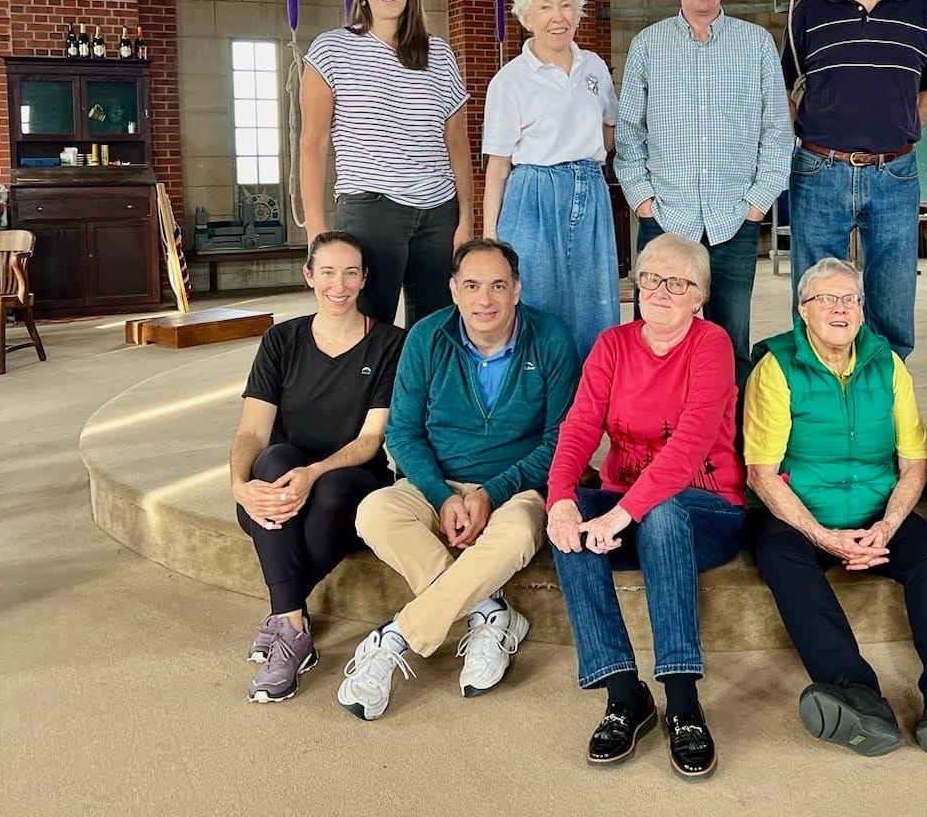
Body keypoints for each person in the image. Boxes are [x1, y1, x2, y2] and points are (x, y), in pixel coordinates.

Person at [745, 257, 927, 757]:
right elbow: (762, 473)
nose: (841, 309)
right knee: (780, 557)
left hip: (876, 508)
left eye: (851, 299)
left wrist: (886, 526)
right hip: (800, 512)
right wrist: (825, 537)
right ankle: (853, 691)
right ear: (802, 310)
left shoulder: (888, 363)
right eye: (827, 299)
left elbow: (913, 462)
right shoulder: (775, 366)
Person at [336, 238, 581, 720]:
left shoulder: (550, 338)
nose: (484, 299)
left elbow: (561, 441)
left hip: (517, 488)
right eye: (471, 285)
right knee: (374, 512)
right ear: (453, 290)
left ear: (517, 290)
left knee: (515, 534)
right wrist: (441, 495)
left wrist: (493, 492)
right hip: (435, 482)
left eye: (497, 286)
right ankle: (489, 611)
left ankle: (397, 638)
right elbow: (402, 435)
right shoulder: (425, 338)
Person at [545, 233, 746, 779]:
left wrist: (621, 513)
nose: (659, 290)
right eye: (651, 278)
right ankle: (624, 693)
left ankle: (683, 702)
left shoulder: (712, 344)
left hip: (707, 510)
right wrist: (561, 499)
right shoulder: (612, 344)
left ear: (699, 296)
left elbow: (688, 449)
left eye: (676, 283)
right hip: (626, 509)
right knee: (566, 519)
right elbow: (580, 426)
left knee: (661, 510)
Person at [229, 231, 406, 703]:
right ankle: (292, 620)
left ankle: (284, 621)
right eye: (327, 271)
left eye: (351, 272)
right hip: (281, 490)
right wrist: (239, 486)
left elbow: (371, 441)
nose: (339, 284)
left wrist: (315, 472)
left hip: (351, 487)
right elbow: (252, 432)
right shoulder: (281, 340)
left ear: (365, 279)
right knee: (275, 459)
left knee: (327, 488)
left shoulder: (391, 344)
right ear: (309, 275)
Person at [781, 0, 927, 359]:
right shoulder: (810, 11)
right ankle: (816, 402)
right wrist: (822, 135)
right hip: (820, 171)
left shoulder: (922, 10)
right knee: (816, 296)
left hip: (894, 174)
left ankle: (883, 398)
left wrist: (887, 135)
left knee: (893, 300)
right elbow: (787, 89)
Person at [614, 0, 790, 389]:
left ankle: (726, 451)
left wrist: (757, 203)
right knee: (656, 342)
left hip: (734, 220)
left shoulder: (756, 45)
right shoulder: (648, 46)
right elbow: (629, 133)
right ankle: (654, 443)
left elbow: (777, 132)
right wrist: (644, 202)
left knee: (730, 348)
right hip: (665, 221)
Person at [301, 0, 474, 326]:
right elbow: (313, 142)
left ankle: (426, 391)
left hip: (437, 213)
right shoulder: (331, 50)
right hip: (370, 209)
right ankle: (371, 391)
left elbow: (457, 145)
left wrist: (465, 219)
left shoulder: (440, 53)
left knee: (437, 328)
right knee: (366, 326)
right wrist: (316, 230)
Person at [482, 0, 619, 360]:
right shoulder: (510, 80)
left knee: (595, 299)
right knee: (537, 299)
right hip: (533, 191)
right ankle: (538, 404)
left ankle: (590, 406)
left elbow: (609, 128)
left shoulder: (594, 67)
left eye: (566, 5)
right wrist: (491, 236)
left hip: (589, 187)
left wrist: (583, 165)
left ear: (578, 11)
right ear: (526, 16)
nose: (557, 17)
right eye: (545, 7)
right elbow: (498, 165)